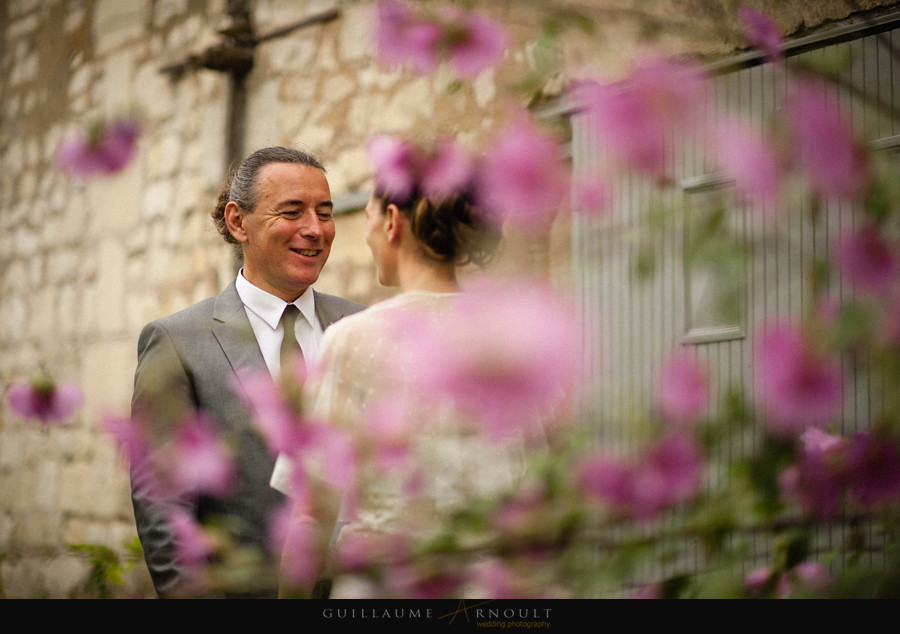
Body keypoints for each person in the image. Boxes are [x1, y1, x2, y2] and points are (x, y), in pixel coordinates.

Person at [270, 160, 531, 598]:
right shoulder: (514, 342)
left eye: (368, 217)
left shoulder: (354, 340)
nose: (368, 235)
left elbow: (312, 516)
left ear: (392, 222)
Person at [129, 146, 365, 598]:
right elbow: (164, 508)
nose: (315, 230)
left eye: (325, 212)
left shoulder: (363, 327)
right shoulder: (177, 342)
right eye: (292, 212)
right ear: (238, 222)